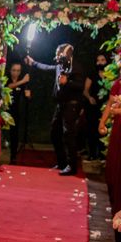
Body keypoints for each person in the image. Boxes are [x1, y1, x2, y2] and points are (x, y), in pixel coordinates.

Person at [25, 44, 85, 176]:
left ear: (66, 53)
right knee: (54, 132)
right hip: (61, 104)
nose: (57, 56)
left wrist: (67, 81)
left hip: (71, 104)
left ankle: (72, 166)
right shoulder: (59, 66)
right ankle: (62, 162)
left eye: (59, 53)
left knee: (68, 134)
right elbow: (47, 68)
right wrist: (33, 63)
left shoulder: (76, 67)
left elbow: (80, 86)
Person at [99, 79, 121, 216]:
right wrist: (102, 123)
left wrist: (119, 111)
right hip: (118, 130)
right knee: (112, 169)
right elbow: (110, 103)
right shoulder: (118, 83)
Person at [84, 53, 108, 160]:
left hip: (106, 108)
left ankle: (103, 154)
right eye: (98, 60)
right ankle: (92, 154)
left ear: (106, 61)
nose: (100, 62)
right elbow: (85, 90)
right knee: (92, 130)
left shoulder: (111, 75)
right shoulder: (92, 74)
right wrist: (89, 97)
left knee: (104, 130)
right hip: (93, 107)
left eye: (102, 60)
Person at [6, 61, 30, 163]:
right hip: (5, 109)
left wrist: (28, 96)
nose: (16, 73)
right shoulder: (6, 78)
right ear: (10, 70)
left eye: (18, 70)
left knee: (14, 134)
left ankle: (13, 156)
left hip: (16, 111)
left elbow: (27, 96)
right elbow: (9, 86)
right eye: (14, 70)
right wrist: (23, 81)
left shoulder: (23, 82)